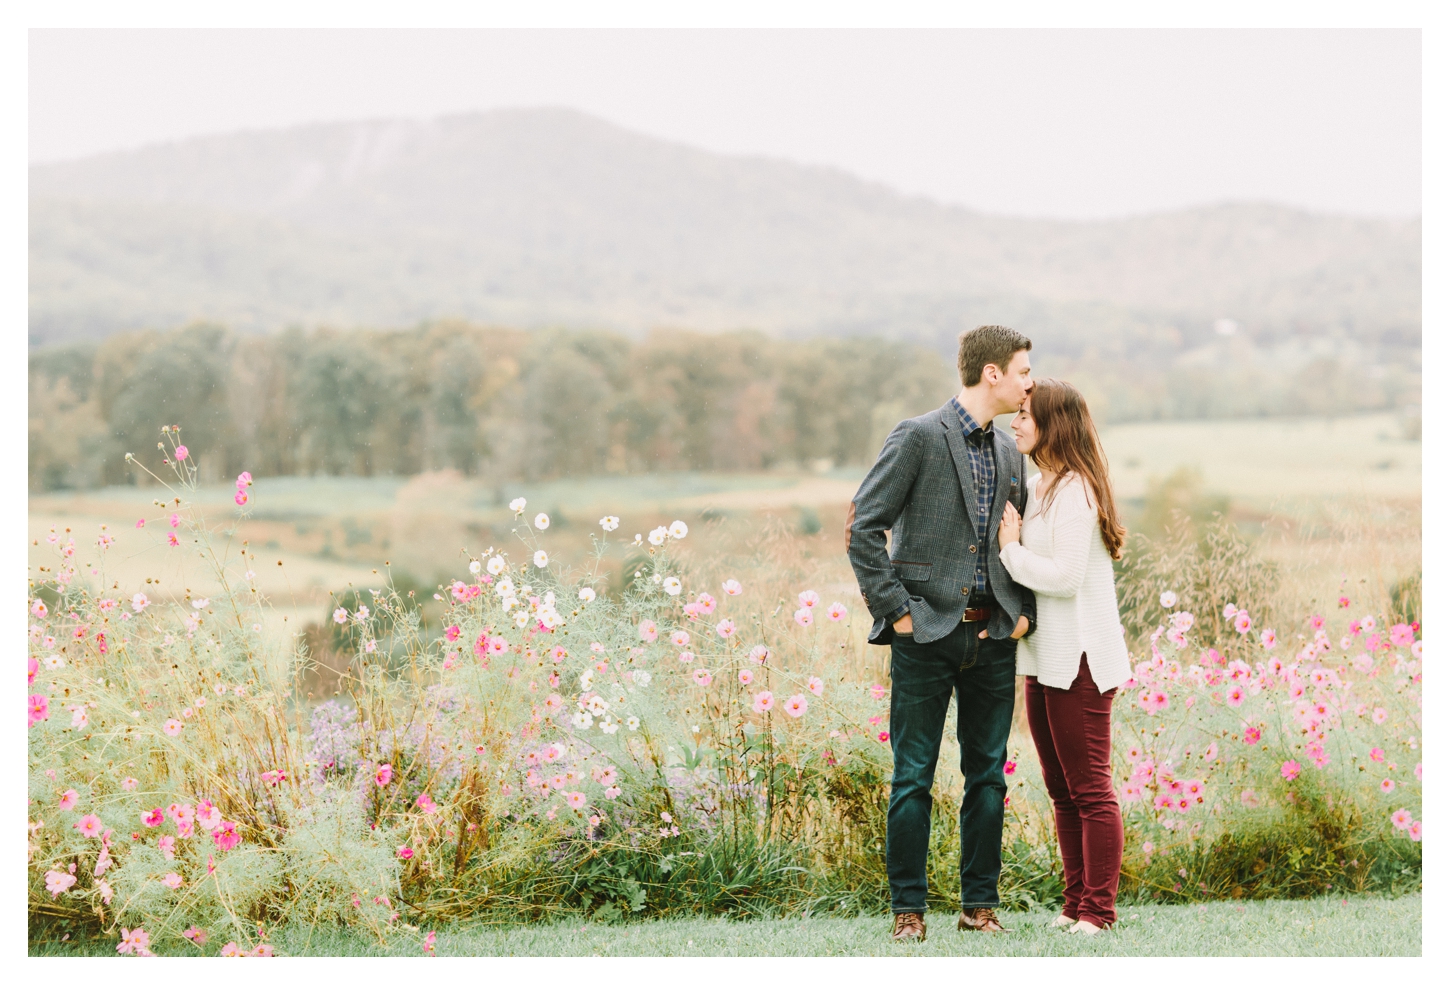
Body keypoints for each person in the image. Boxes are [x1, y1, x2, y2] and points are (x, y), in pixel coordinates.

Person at [846, 324, 1038, 942]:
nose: (1029, 381)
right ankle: (908, 913)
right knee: (913, 776)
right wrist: (897, 611)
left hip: (993, 639)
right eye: (1023, 370)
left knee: (988, 777)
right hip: (923, 636)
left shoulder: (1012, 454)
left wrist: (1022, 608)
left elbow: (1018, 543)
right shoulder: (918, 436)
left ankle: (979, 908)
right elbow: (863, 528)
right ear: (993, 374)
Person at [996, 378, 1132, 936]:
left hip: (1081, 659)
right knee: (1061, 790)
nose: (1016, 422)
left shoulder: (1076, 491)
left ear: (1055, 424)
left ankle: (1099, 911)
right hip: (1042, 658)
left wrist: (1010, 549)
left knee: (1091, 789)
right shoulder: (1038, 485)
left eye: (1026, 414)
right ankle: (1075, 903)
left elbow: (1067, 577)